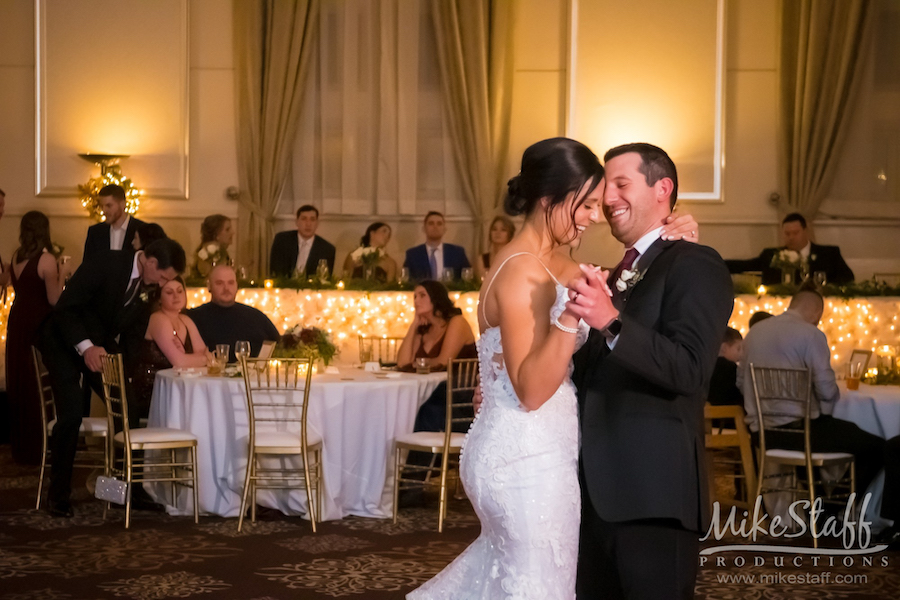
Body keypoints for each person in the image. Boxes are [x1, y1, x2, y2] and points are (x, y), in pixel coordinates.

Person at [408, 138, 701, 599]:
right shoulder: (521, 269)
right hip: (525, 454)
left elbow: (623, 309)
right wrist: (568, 319)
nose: (593, 215)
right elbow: (530, 389)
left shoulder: (558, 263)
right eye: (584, 205)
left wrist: (671, 233)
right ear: (550, 200)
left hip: (544, 445)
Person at [568, 142, 733, 599]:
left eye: (622, 184)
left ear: (663, 188)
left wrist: (610, 320)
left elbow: (690, 368)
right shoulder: (618, 274)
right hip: (591, 496)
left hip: (652, 494)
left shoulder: (696, 263)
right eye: (606, 188)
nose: (609, 198)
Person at [38, 238, 186, 518]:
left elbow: (132, 332)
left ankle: (128, 488)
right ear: (151, 262)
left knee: (127, 408)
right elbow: (66, 308)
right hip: (64, 342)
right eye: (164, 276)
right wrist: (86, 347)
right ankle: (58, 494)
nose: (163, 284)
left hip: (101, 346)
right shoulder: (106, 263)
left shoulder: (148, 286)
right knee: (70, 414)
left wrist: (125, 373)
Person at [738, 289, 885, 498]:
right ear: (817, 312)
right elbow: (826, 391)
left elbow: (741, 381)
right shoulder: (811, 334)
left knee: (823, 431)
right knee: (878, 447)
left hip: (762, 434)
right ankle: (831, 509)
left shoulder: (755, 332)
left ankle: (819, 510)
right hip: (801, 434)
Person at [6, 212, 74, 464]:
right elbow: (54, 299)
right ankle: (39, 446)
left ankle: (22, 447)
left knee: (21, 381)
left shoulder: (16, 256)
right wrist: (64, 272)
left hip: (18, 318)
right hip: (38, 323)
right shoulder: (46, 259)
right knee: (38, 383)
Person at [131, 277, 210, 415]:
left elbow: (205, 353)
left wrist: (193, 358)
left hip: (178, 389)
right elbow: (179, 361)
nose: (176, 296)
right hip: (154, 392)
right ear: (159, 298)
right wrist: (203, 360)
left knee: (205, 404)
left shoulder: (186, 320)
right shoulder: (158, 319)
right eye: (169, 292)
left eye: (180, 291)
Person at [726, 212, 854, 285]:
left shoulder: (829, 254)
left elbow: (848, 277)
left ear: (806, 231)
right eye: (787, 234)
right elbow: (744, 266)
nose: (791, 237)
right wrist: (713, 262)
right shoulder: (771, 255)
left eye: (795, 233)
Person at [187, 264, 280, 363]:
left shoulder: (256, 317)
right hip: (209, 377)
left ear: (237, 286)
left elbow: (278, 346)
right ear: (209, 286)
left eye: (231, 283)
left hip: (251, 377)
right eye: (219, 283)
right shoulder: (194, 318)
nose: (226, 288)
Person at [396, 280, 477, 373]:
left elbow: (443, 362)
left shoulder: (457, 322)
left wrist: (417, 364)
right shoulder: (423, 328)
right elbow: (402, 363)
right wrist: (414, 324)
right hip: (429, 385)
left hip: (456, 384)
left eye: (422, 295)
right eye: (415, 297)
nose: (416, 301)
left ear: (436, 298)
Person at [82, 184, 146, 260]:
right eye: (102, 206)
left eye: (109, 206)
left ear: (123, 204)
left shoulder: (143, 231)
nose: (104, 211)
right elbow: (87, 266)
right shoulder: (95, 232)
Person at [269, 205, 336, 278]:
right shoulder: (282, 240)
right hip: (283, 287)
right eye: (304, 219)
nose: (308, 224)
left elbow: (324, 280)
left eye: (312, 219)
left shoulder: (327, 249)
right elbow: (275, 272)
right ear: (297, 222)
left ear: (317, 223)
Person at [403, 211, 470, 281]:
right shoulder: (413, 254)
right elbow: (406, 281)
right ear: (424, 228)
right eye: (431, 223)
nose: (435, 227)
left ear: (444, 229)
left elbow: (467, 279)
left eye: (439, 224)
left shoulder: (457, 253)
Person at [708, 327, 744, 407]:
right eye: (738, 349)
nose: (741, 354)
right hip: (731, 414)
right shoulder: (730, 368)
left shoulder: (707, 367)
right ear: (724, 348)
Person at [474, 215, 515, 280]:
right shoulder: (482, 259)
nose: (498, 233)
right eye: (494, 229)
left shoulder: (514, 259)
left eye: (503, 230)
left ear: (509, 234)